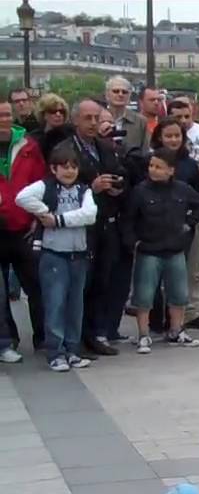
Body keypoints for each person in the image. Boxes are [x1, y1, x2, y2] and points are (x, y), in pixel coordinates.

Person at [16, 145, 97, 372]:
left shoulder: (84, 191)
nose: (69, 171)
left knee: (75, 305)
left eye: (73, 167)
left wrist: (59, 220)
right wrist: (44, 211)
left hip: (79, 254)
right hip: (53, 254)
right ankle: (55, 352)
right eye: (64, 167)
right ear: (53, 169)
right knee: (55, 303)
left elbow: (89, 214)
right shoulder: (45, 187)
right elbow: (22, 197)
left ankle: (73, 350)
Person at [120, 148, 199, 353]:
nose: (153, 170)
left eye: (159, 167)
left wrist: (189, 223)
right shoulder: (140, 191)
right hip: (148, 251)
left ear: (171, 170)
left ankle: (177, 331)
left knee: (179, 294)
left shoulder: (182, 189)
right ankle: (143, 335)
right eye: (151, 166)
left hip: (175, 250)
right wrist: (133, 242)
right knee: (144, 296)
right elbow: (128, 219)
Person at [62, 99, 131, 358]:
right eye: (87, 118)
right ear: (75, 120)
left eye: (96, 118)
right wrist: (91, 188)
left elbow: (121, 173)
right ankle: (75, 339)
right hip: (81, 226)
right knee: (82, 284)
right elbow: (60, 185)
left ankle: (94, 334)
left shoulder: (105, 146)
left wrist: (117, 186)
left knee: (102, 281)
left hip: (106, 222)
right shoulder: (66, 149)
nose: (93, 123)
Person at [141, 118, 199, 334]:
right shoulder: (148, 161)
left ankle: (188, 316)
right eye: (168, 136)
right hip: (154, 229)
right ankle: (156, 320)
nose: (173, 140)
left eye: (177, 136)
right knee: (155, 277)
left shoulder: (189, 163)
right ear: (159, 137)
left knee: (189, 272)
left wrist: (190, 221)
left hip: (186, 227)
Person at [0, 98, 47, 353]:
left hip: (25, 227)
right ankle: (9, 339)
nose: (4, 120)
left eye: (7, 114)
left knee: (36, 285)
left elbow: (41, 182)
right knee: (2, 293)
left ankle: (43, 337)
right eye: (0, 116)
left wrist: (37, 216)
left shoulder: (28, 145)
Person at [104, 76, 147, 151]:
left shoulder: (140, 121)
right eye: (116, 91)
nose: (120, 94)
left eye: (124, 92)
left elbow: (145, 150)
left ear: (129, 96)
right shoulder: (97, 119)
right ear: (107, 95)